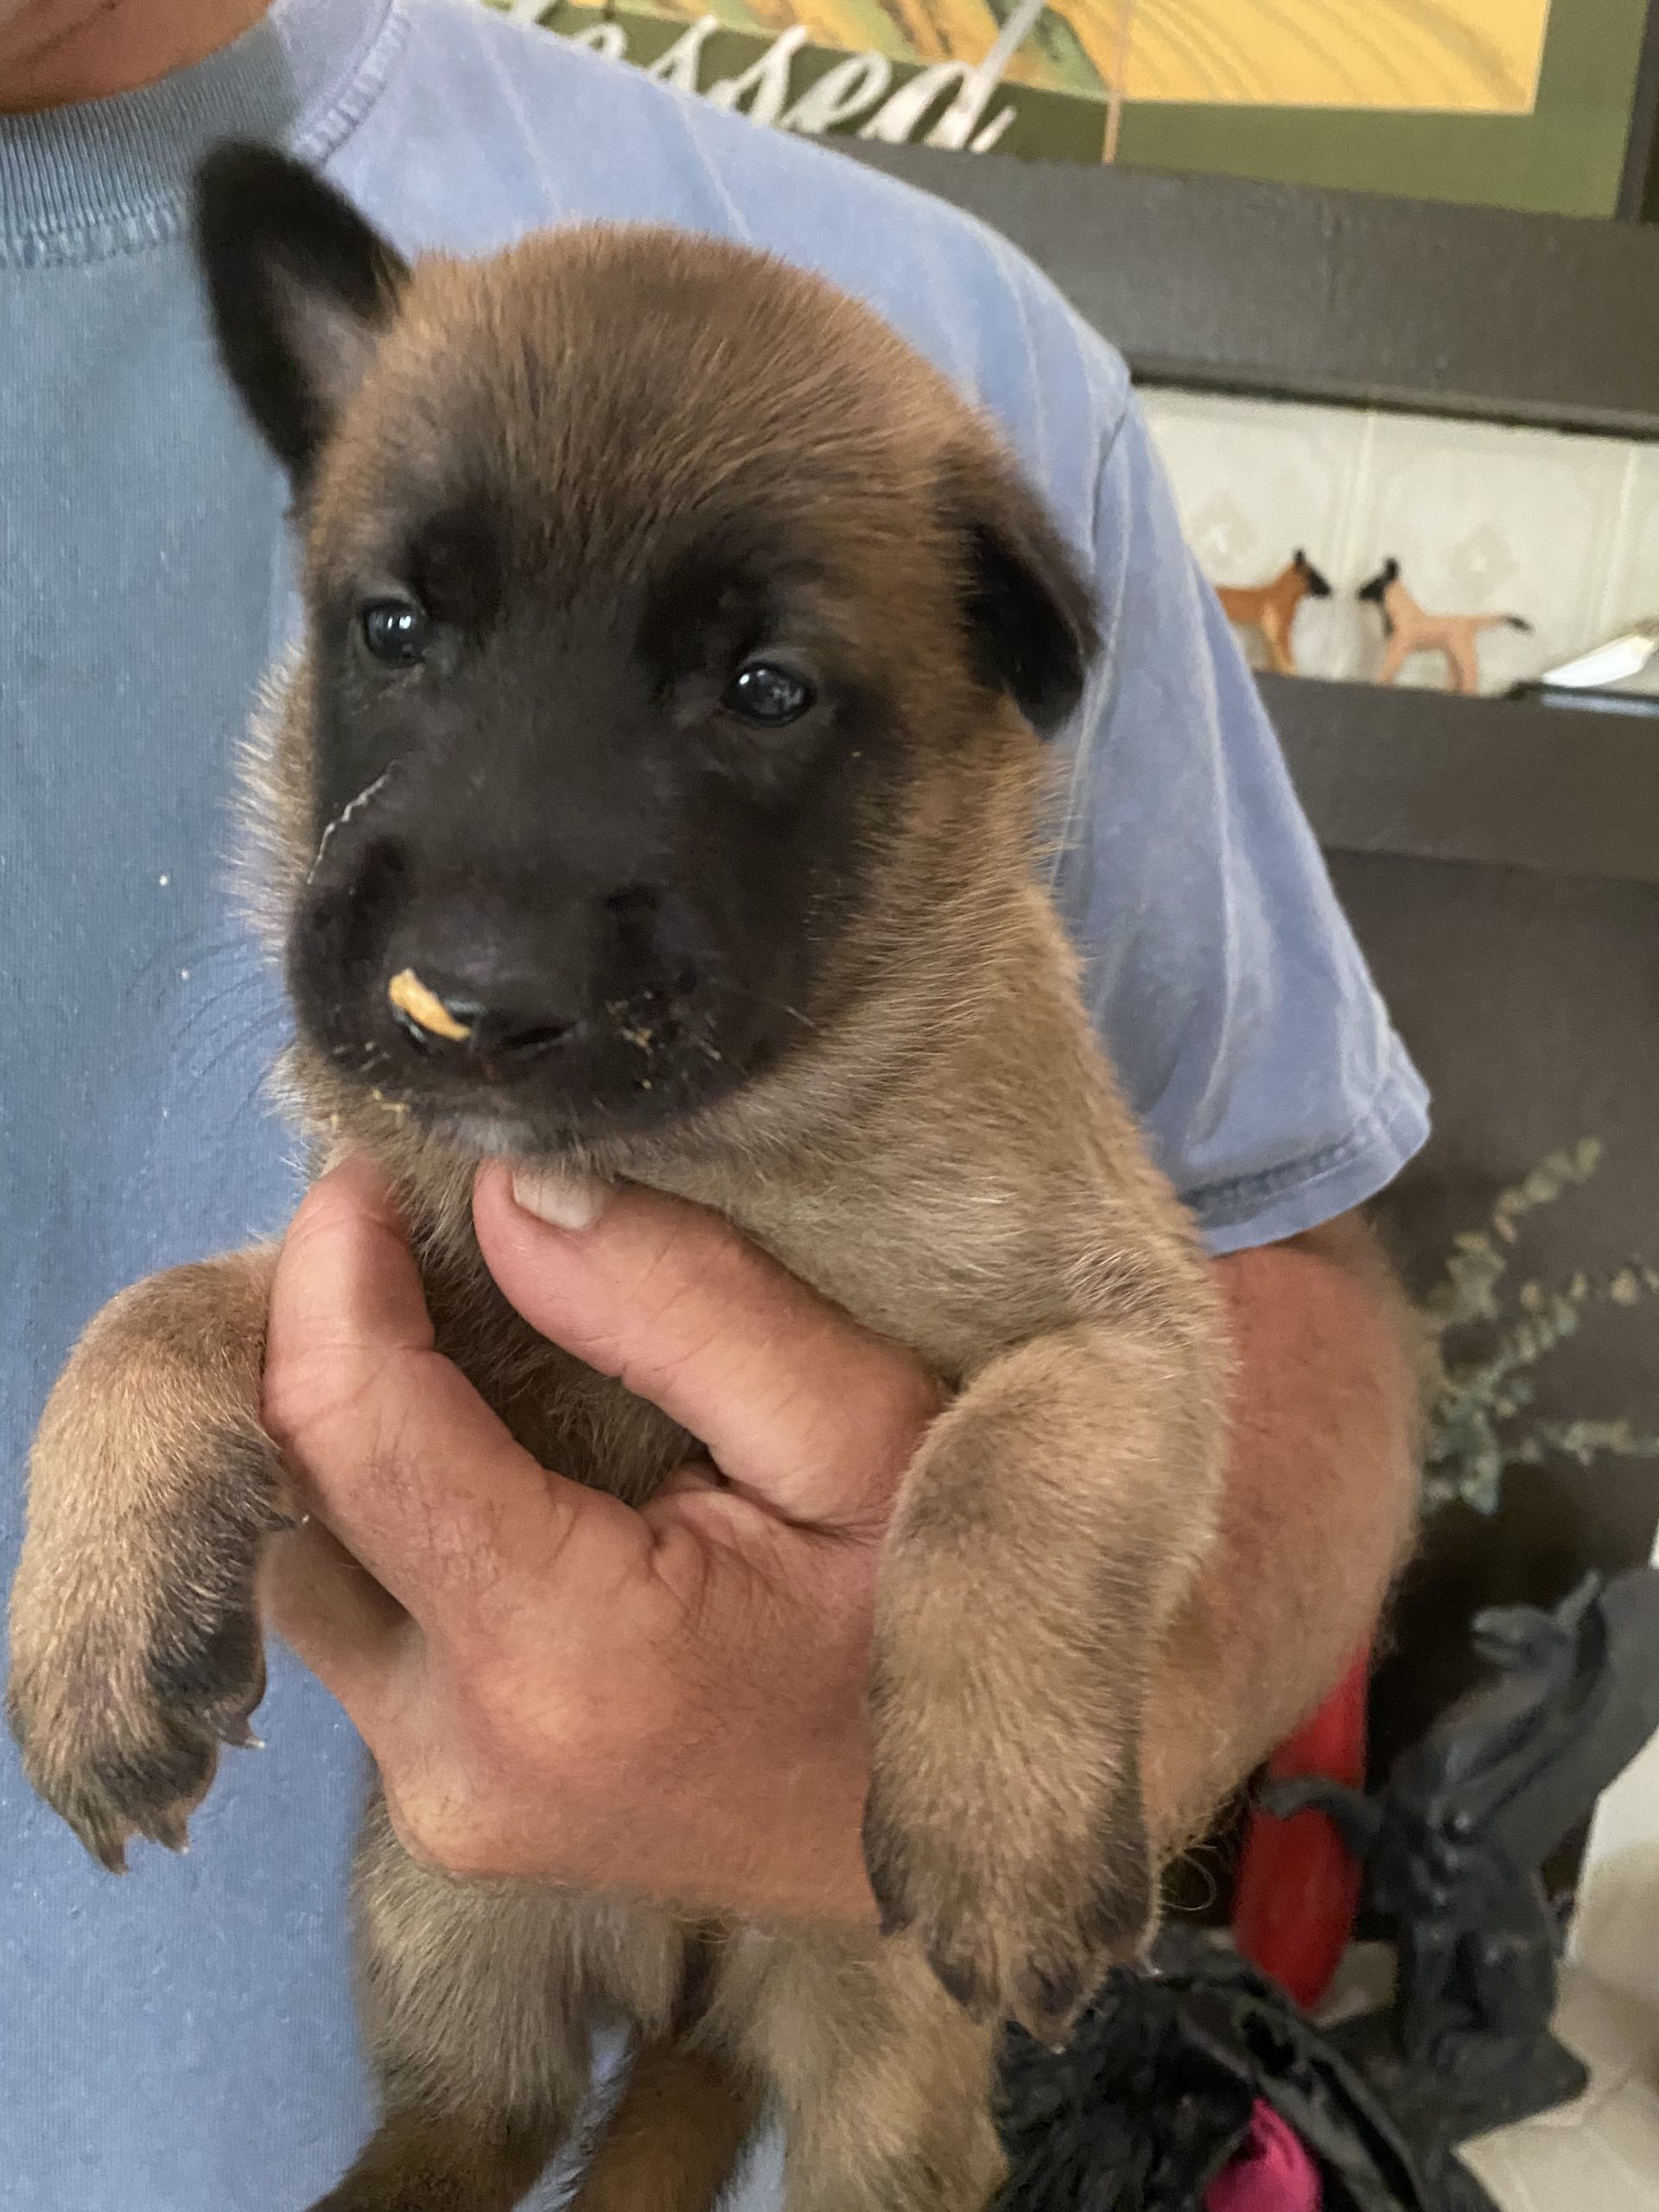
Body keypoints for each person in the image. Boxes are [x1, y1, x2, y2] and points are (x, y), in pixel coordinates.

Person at [0, 1, 1427, 2204]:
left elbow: (1223, 1294)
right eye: (402, 630)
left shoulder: (953, 354)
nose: (480, 951)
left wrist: (1082, 1707)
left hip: (864, 2001)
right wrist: (150, 1398)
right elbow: (318, 1316)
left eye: (762, 694)